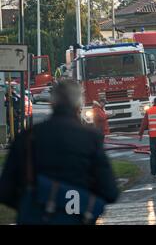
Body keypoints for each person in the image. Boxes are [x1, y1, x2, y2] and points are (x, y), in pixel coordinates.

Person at [0, 80, 119, 225]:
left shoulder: (28, 137)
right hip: (78, 217)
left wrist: (32, 205)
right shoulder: (90, 138)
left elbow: (6, 190)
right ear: (78, 104)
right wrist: (83, 204)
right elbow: (110, 192)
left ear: (52, 103)